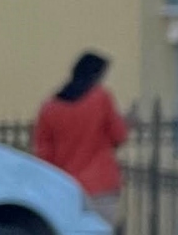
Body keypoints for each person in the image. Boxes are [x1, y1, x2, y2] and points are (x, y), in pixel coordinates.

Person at [33, 52, 129, 226]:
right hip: (101, 183)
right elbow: (119, 136)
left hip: (65, 185)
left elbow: (43, 153)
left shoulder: (50, 107)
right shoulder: (101, 98)